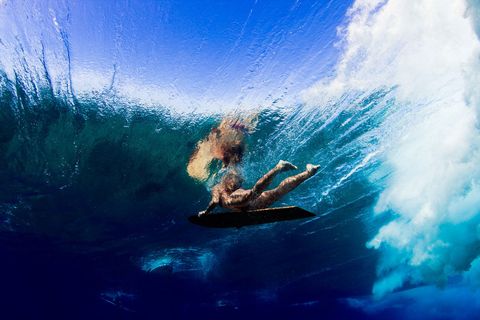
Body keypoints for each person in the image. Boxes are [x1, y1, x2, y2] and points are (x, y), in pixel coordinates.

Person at [198, 160, 320, 216]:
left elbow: (214, 201)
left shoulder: (217, 187)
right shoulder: (231, 185)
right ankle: (309, 172)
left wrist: (206, 212)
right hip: (252, 206)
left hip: (240, 202)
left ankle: (279, 167)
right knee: (278, 192)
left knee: (253, 193)